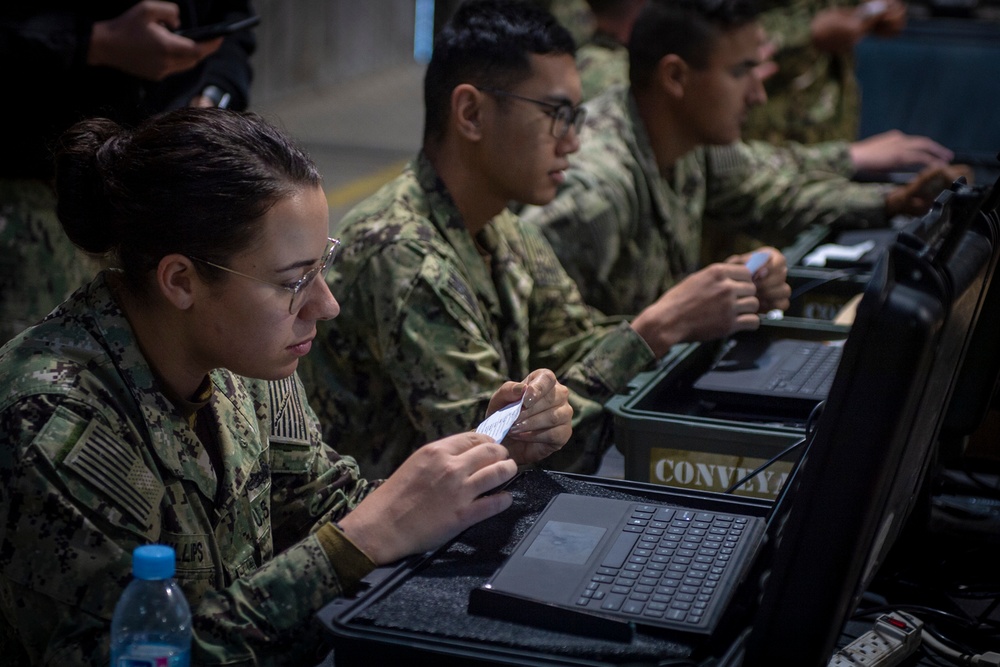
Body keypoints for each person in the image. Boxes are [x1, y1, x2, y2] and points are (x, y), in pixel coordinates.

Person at [0, 107, 573, 665]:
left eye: (320, 267)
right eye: (294, 282)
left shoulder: (240, 359)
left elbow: (322, 506)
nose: (326, 305)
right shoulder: (53, 424)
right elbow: (138, 654)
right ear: (181, 280)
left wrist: (486, 458)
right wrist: (356, 543)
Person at [297, 0, 788, 481]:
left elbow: (571, 344)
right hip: (397, 548)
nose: (572, 141)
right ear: (471, 113)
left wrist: (703, 308)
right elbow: (495, 454)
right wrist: (658, 329)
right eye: (556, 114)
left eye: (575, 118)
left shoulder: (504, 227)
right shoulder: (403, 255)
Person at [519, 0, 968, 318]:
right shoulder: (597, 192)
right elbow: (529, 351)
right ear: (675, 76)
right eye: (741, 72)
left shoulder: (688, 145)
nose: (757, 95)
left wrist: (890, 201)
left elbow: (770, 191)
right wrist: (669, 325)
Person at [0, 1, 257, 345]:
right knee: (38, 363)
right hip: (33, 190)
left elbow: (232, 23)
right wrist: (95, 42)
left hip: (165, 191)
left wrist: (211, 98)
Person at [573, 0, 952, 177]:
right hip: (767, 132)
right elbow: (714, 31)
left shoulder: (697, 157)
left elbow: (759, 187)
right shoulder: (600, 180)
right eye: (743, 73)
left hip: (802, 139)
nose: (757, 92)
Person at [745, 0, 907, 146]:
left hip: (834, 118)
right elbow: (729, 27)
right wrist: (809, 33)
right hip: (768, 120)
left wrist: (880, 11)